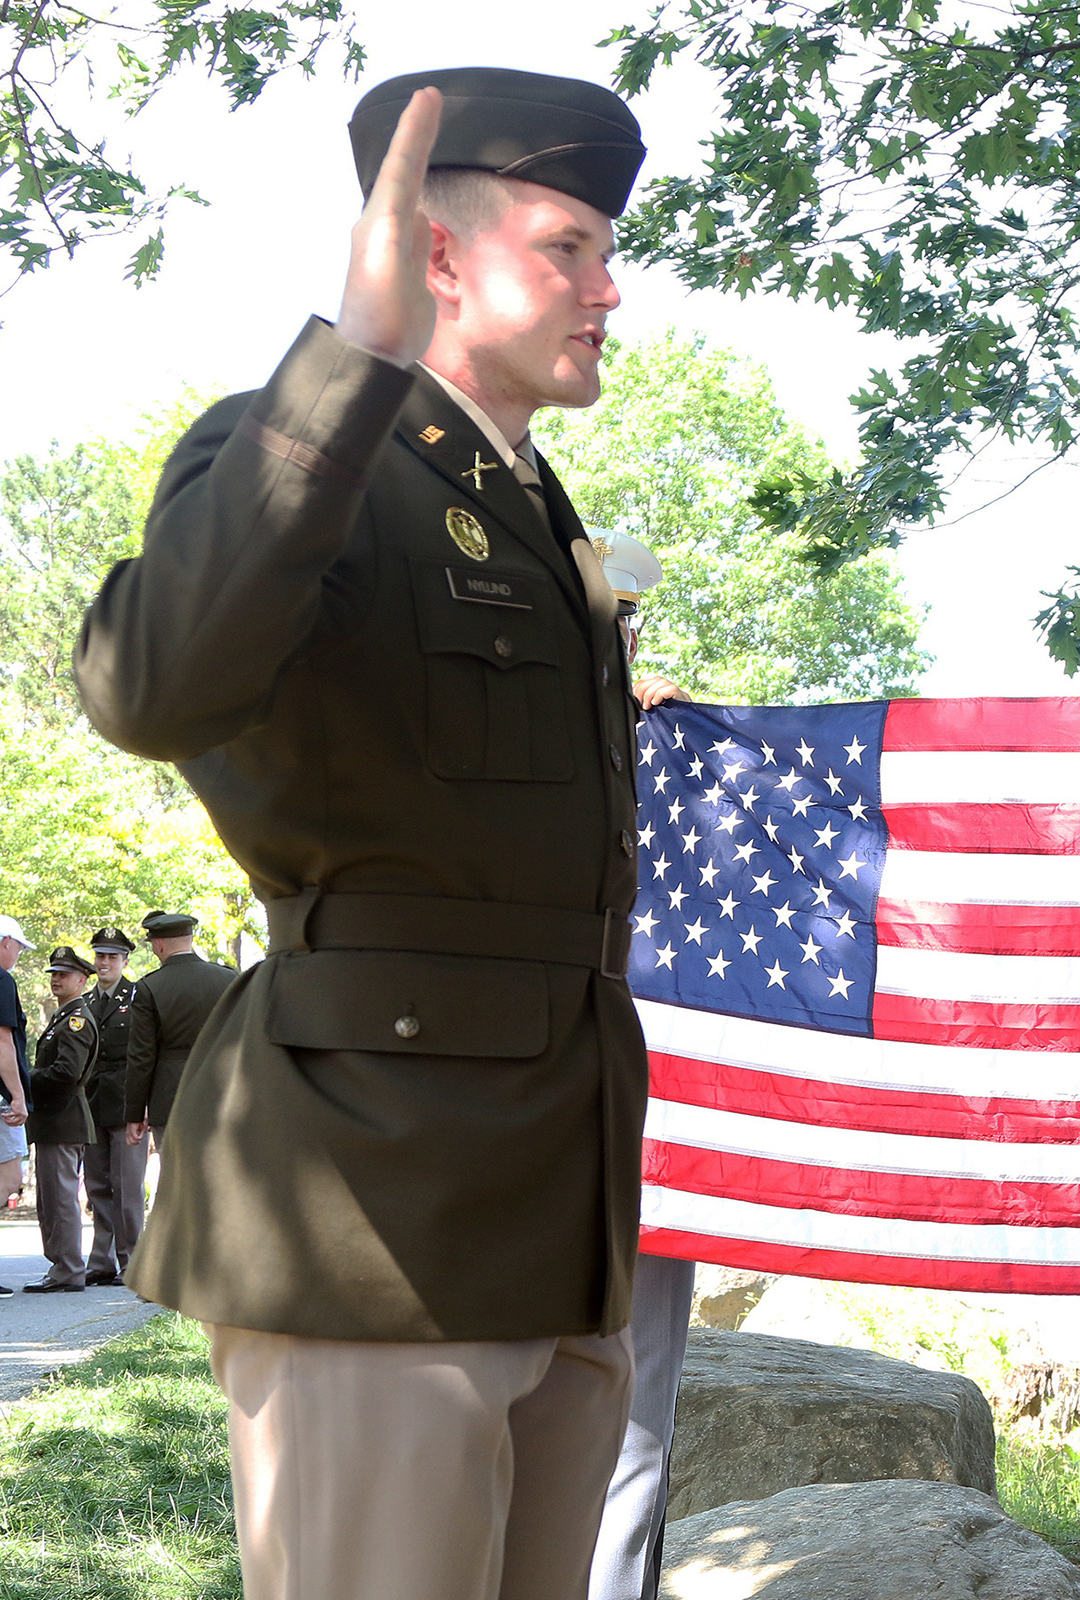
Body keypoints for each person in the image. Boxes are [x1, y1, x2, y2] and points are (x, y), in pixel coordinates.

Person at [75, 67, 651, 1600]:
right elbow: (152, 686)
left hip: (556, 1200)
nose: (609, 289)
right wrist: (353, 361)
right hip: (373, 1204)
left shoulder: (541, 515)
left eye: (609, 252)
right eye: (570, 247)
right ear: (437, 254)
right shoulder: (317, 453)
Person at [585, 529, 695, 1600]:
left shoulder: (674, 752)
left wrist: (689, 743)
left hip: (664, 1117)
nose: (615, 639)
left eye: (624, 624)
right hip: (525, 1107)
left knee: (635, 1412)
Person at [121, 909, 238, 1160]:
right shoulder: (229, 978)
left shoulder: (149, 987)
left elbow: (141, 1057)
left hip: (171, 1099)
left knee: (177, 1174)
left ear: (159, 944)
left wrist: (134, 1114)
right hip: (222, 1093)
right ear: (190, 939)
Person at [25, 947, 100, 1294]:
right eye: (54, 973)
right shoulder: (64, 1017)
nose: (56, 979)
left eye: (64, 975)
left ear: (82, 981)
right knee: (52, 1198)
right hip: (55, 1120)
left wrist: (27, 1078)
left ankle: (69, 1268)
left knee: (61, 1198)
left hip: (63, 1118)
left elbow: (68, 1071)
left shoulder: (75, 1020)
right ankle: (62, 1267)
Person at [80, 925, 143, 1287]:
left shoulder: (138, 997)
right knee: (97, 1187)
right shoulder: (86, 1002)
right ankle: (101, 1260)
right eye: (100, 956)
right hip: (92, 1105)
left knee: (127, 1188)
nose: (104, 963)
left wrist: (143, 1105)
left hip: (125, 1104)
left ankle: (132, 1261)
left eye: (111, 957)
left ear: (124, 961)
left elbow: (145, 1054)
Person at [0, 916, 34, 1232]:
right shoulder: (2, 981)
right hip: (1, 1097)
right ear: (6, 941)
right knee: (9, 1178)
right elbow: (2, 1043)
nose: (18, 955)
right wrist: (17, 1096)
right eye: (19, 948)